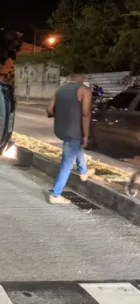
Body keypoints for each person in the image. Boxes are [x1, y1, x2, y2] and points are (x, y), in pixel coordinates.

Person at [46, 66, 95, 205]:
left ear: (71, 75)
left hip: (61, 129)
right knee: (67, 163)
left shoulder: (60, 89)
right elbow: (86, 114)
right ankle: (55, 195)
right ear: (83, 76)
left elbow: (49, 109)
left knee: (75, 147)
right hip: (74, 131)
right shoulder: (84, 91)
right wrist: (86, 135)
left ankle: (83, 171)